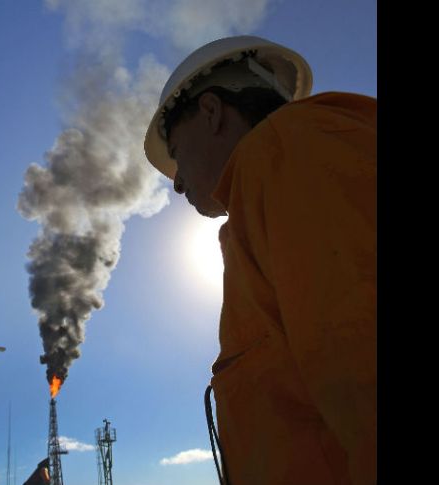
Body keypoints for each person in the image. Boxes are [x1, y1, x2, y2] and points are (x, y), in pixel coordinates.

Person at [143, 36, 376, 485]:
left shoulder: (292, 149)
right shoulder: (272, 186)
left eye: (175, 153)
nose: (176, 183)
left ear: (210, 112)